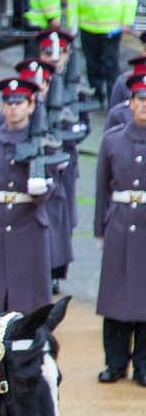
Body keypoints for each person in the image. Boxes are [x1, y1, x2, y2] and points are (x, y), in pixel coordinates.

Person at [0, 75, 55, 314]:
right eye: (9, 103)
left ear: (31, 105)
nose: (13, 108)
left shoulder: (44, 143)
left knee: (27, 299)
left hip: (28, 221)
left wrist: (42, 190)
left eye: (20, 103)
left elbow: (54, 188)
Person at [95, 74, 146, 384]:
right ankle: (115, 362)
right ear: (131, 103)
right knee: (114, 294)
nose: (144, 106)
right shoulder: (113, 139)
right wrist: (100, 227)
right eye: (140, 100)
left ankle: (143, 364)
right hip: (119, 220)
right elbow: (102, 186)